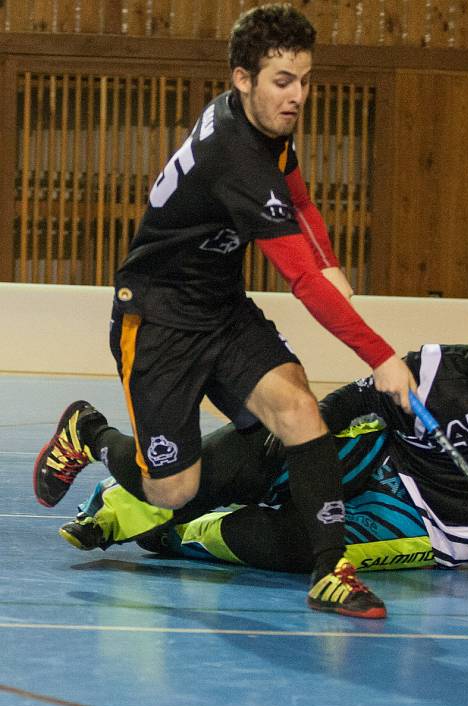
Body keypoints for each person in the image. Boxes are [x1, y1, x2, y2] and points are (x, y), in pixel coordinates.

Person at [32, 4, 418, 620]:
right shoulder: (236, 157)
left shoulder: (260, 121)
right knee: (171, 489)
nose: (297, 97)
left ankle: (330, 569)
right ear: (243, 78)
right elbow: (299, 283)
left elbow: (299, 195)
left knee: (298, 409)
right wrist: (381, 357)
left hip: (221, 306)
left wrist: (332, 261)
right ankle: (88, 432)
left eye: (305, 80)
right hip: (158, 321)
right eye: (282, 82)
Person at [55, 286, 468, 587]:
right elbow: (357, 399)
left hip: (435, 530)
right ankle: (110, 496)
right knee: (247, 458)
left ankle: (177, 535)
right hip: (386, 455)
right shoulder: (437, 365)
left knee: (299, 547)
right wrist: (300, 435)